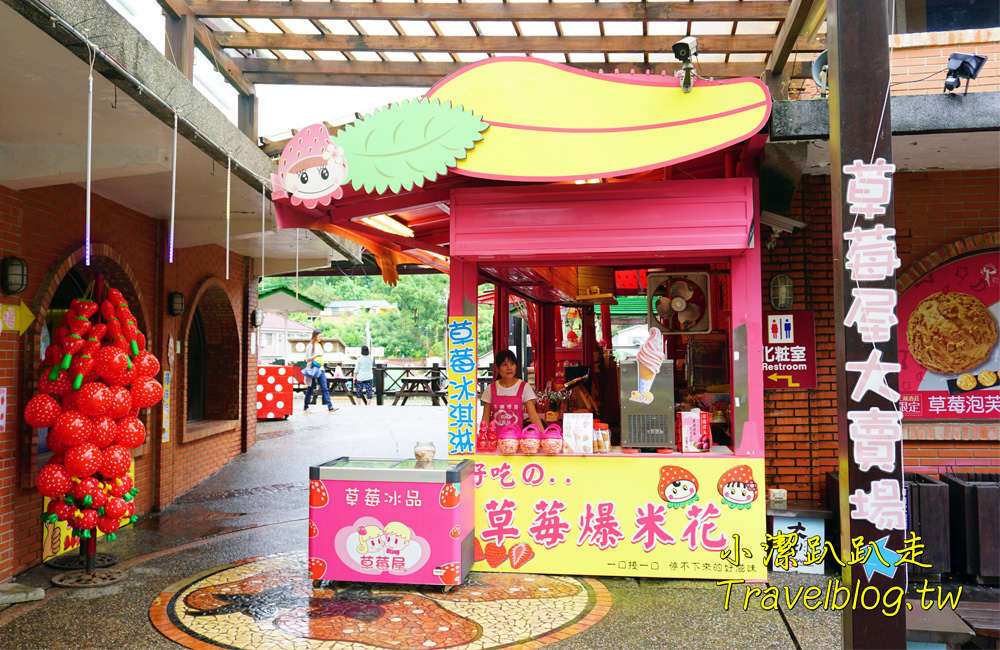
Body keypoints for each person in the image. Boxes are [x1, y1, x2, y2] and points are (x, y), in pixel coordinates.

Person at [481, 350, 544, 430]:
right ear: (497, 367)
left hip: (517, 437)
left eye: (512, 364)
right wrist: (482, 435)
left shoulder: (524, 387)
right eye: (505, 364)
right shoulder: (490, 389)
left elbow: (533, 416)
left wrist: (544, 435)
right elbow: (485, 418)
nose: (509, 368)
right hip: (495, 437)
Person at [304, 329, 338, 413]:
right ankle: (306, 406)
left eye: (321, 336)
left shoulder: (319, 345)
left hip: (321, 368)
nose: (321, 338)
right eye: (319, 336)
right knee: (310, 388)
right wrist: (316, 356)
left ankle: (330, 406)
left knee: (325, 388)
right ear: (315, 336)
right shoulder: (310, 346)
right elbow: (307, 359)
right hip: (313, 369)